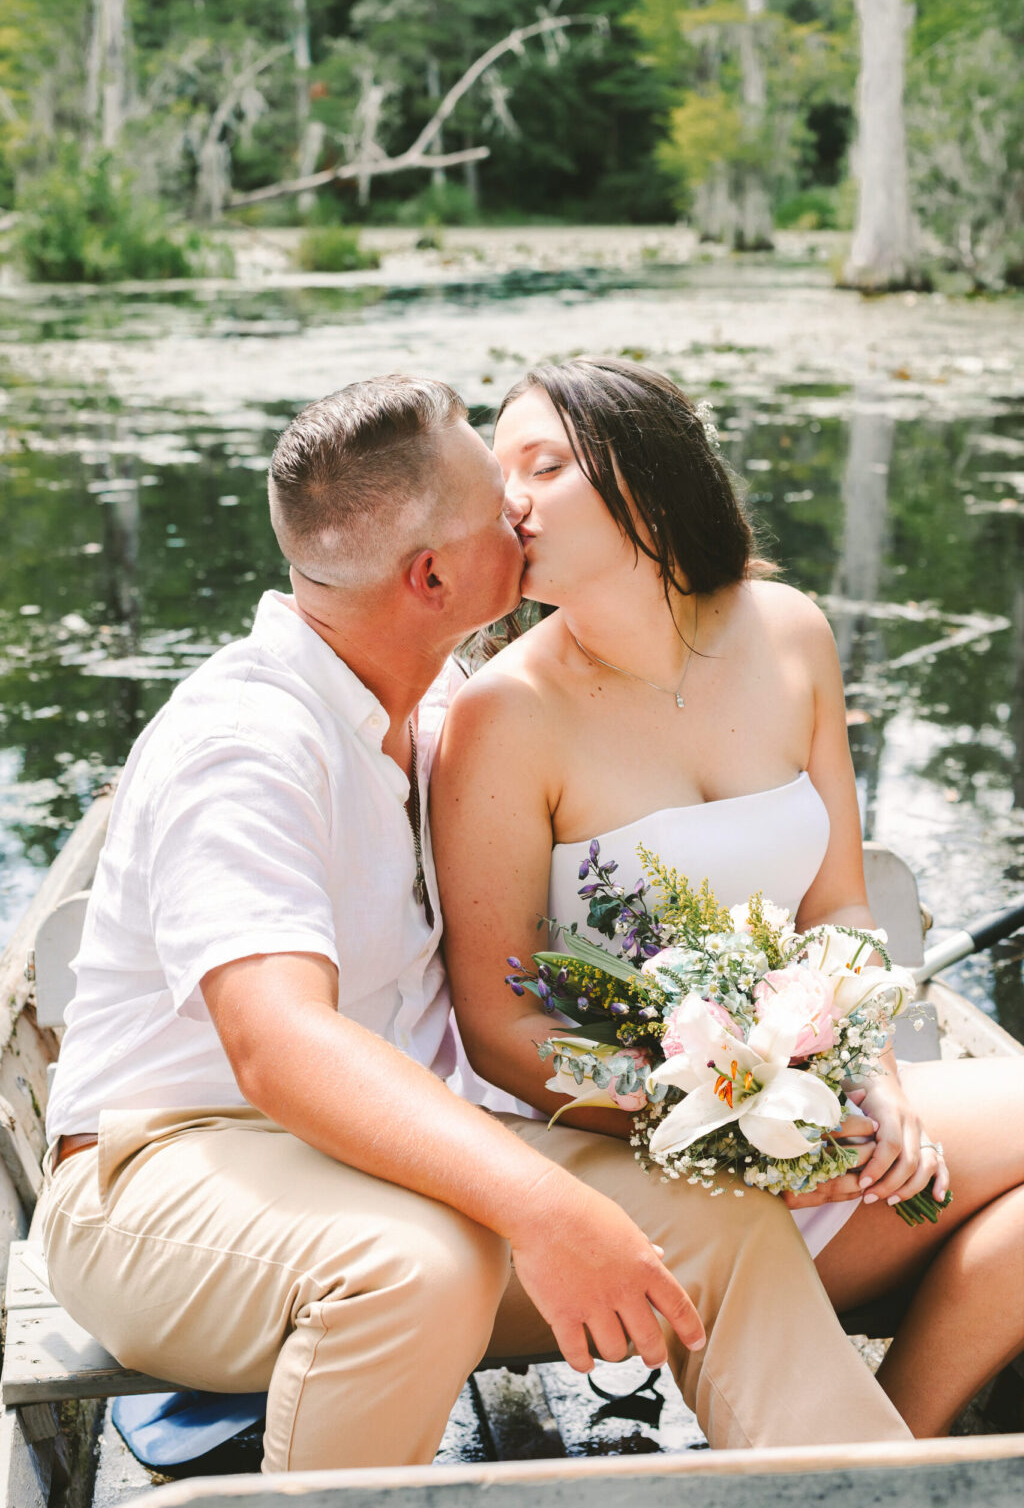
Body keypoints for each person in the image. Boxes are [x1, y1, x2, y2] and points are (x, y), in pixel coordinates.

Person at [41, 374, 912, 1476]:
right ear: (435, 575)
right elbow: (278, 1045)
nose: (521, 509)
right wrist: (546, 1207)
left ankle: (874, 1494)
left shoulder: (445, 710)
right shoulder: (247, 742)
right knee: (415, 1268)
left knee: (720, 1223)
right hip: (168, 1179)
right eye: (496, 500)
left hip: (394, 1171)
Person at [432, 356, 1024, 1441]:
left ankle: (905, 1446)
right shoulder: (501, 718)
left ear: (649, 480)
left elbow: (841, 906)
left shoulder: (790, 631)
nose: (506, 499)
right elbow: (496, 1023)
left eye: (544, 464)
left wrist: (876, 1082)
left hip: (815, 1103)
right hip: (631, 1149)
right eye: (494, 473)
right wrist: (712, 1125)